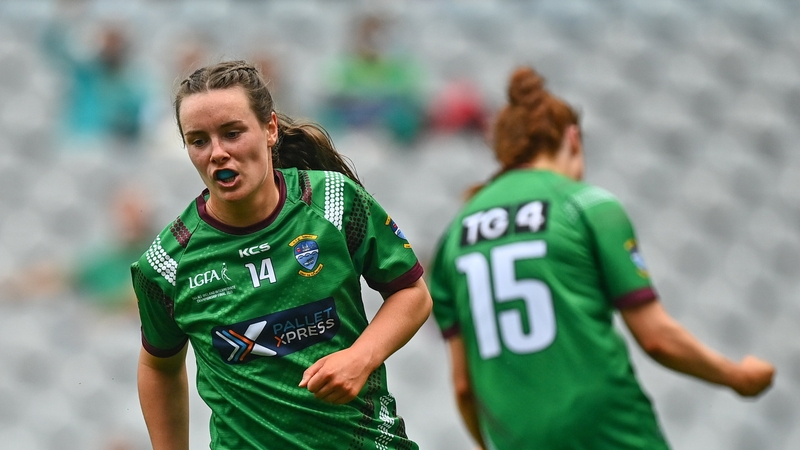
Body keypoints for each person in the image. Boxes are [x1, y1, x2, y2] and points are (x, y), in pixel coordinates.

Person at [427, 66, 775, 450]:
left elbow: (463, 386)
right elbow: (657, 338)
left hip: (517, 438)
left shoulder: (452, 239)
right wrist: (737, 377)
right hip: (609, 430)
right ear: (572, 138)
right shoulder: (586, 204)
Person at [131, 60, 432, 449]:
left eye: (232, 133)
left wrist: (361, 357)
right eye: (199, 140)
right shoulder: (167, 264)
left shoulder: (334, 202)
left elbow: (412, 294)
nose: (218, 153)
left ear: (269, 129)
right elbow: (158, 365)